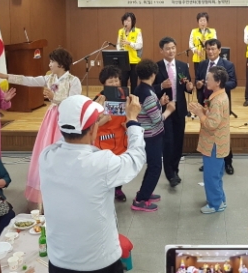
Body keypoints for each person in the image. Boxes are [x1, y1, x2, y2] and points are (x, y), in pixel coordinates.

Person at [39, 94, 146, 273]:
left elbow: (68, 136)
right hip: (100, 262)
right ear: (92, 130)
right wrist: (133, 121)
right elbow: (135, 159)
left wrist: (85, 115)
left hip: (59, 260)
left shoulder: (47, 156)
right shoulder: (102, 163)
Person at [0, 47, 81, 207]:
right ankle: (46, 190)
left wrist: (55, 97)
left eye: (52, 61)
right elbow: (29, 80)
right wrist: (7, 77)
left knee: (63, 152)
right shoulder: (50, 78)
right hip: (52, 117)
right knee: (47, 149)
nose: (49, 64)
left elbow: (75, 102)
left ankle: (66, 190)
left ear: (61, 64)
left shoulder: (73, 81)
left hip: (66, 118)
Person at [132, 59, 176, 212]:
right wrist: (169, 110)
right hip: (151, 136)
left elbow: (146, 109)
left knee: (152, 166)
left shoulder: (140, 89)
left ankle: (145, 192)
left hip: (146, 134)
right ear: (153, 74)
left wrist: (160, 103)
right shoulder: (148, 93)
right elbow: (157, 119)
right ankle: (141, 200)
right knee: (155, 167)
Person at [153, 37, 194, 187]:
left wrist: (189, 87)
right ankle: (170, 174)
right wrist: (161, 86)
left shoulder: (183, 66)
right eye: (168, 49)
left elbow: (187, 85)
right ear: (161, 51)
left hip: (180, 108)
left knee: (178, 141)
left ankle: (175, 170)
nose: (171, 51)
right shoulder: (156, 67)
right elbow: (149, 88)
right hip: (165, 109)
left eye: (173, 48)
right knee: (168, 142)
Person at [189, 66, 230, 214]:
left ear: (217, 82)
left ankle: (215, 204)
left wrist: (200, 114)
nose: (206, 81)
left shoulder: (217, 100)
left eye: (209, 79)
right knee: (216, 175)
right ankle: (220, 199)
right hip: (218, 143)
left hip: (214, 144)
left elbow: (212, 124)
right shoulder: (219, 95)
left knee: (211, 176)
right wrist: (201, 109)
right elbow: (213, 115)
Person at [195, 38, 237, 175]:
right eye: (208, 49)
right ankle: (208, 160)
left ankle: (228, 162)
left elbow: (233, 82)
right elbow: (197, 80)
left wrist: (218, 85)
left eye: (213, 49)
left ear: (219, 50)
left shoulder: (227, 64)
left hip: (219, 103)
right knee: (206, 131)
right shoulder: (202, 64)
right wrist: (199, 84)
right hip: (205, 103)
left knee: (221, 134)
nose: (210, 51)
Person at [93, 65, 129, 202]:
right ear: (104, 83)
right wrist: (103, 120)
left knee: (120, 167)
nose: (114, 83)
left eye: (116, 80)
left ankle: (118, 189)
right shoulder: (99, 99)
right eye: (111, 81)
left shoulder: (124, 95)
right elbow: (91, 124)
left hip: (121, 138)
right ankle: (104, 191)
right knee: (105, 169)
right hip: (105, 141)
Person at [117, 12, 143, 93]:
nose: (126, 23)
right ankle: (123, 97)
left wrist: (129, 43)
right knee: (123, 80)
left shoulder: (137, 31)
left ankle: (133, 97)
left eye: (128, 21)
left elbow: (139, 45)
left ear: (133, 22)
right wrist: (120, 49)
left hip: (134, 60)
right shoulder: (121, 31)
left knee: (133, 81)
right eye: (125, 20)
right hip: (124, 61)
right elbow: (118, 44)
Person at [189, 12, 217, 78]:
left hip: (209, 57)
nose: (202, 23)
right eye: (201, 21)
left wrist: (207, 43)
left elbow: (215, 43)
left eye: (204, 20)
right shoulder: (194, 31)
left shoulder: (212, 31)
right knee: (198, 76)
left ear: (207, 22)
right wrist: (195, 50)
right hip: (198, 57)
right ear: (198, 22)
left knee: (210, 75)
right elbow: (190, 44)